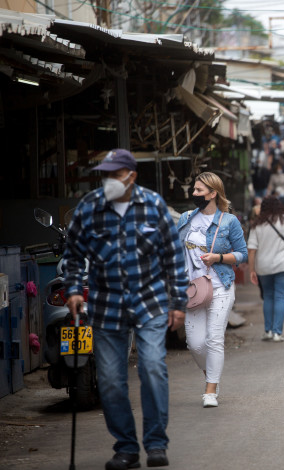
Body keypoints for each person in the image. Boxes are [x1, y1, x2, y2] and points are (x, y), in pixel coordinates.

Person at [62, 148, 188, 469]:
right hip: (107, 305)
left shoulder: (153, 205)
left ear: (131, 176)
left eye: (115, 175)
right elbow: (73, 255)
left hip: (151, 301)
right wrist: (74, 290)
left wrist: (178, 304)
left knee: (152, 368)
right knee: (109, 380)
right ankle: (126, 448)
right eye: (106, 174)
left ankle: (156, 443)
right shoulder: (89, 207)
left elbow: (174, 257)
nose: (109, 181)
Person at [177, 172, 248, 408]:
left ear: (213, 193)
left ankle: (210, 391)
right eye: (194, 190)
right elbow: (175, 252)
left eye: (198, 190)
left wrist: (218, 257)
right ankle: (212, 374)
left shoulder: (229, 221)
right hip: (193, 290)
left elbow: (242, 254)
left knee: (214, 339)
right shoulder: (186, 219)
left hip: (220, 286)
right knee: (195, 344)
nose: (194, 193)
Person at [248, 196, 284, 342]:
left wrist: (251, 270)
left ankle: (268, 331)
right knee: (280, 297)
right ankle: (277, 333)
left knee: (268, 297)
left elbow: (251, 250)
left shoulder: (257, 224)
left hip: (263, 267)